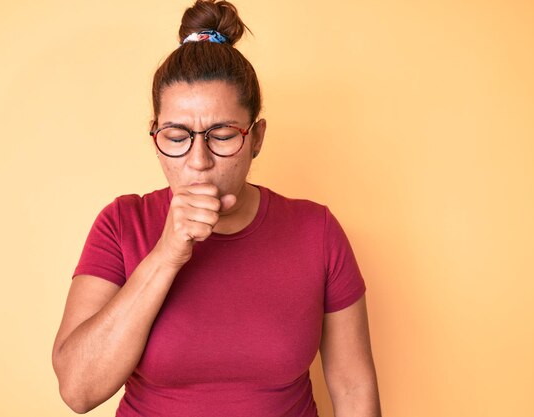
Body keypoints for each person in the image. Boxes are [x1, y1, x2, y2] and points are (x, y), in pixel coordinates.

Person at [52, 1, 381, 416]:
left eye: (222, 134)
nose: (199, 160)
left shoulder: (317, 230)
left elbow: (353, 389)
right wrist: (166, 255)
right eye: (177, 136)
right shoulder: (122, 224)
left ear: (257, 137)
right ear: (154, 136)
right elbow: (78, 391)